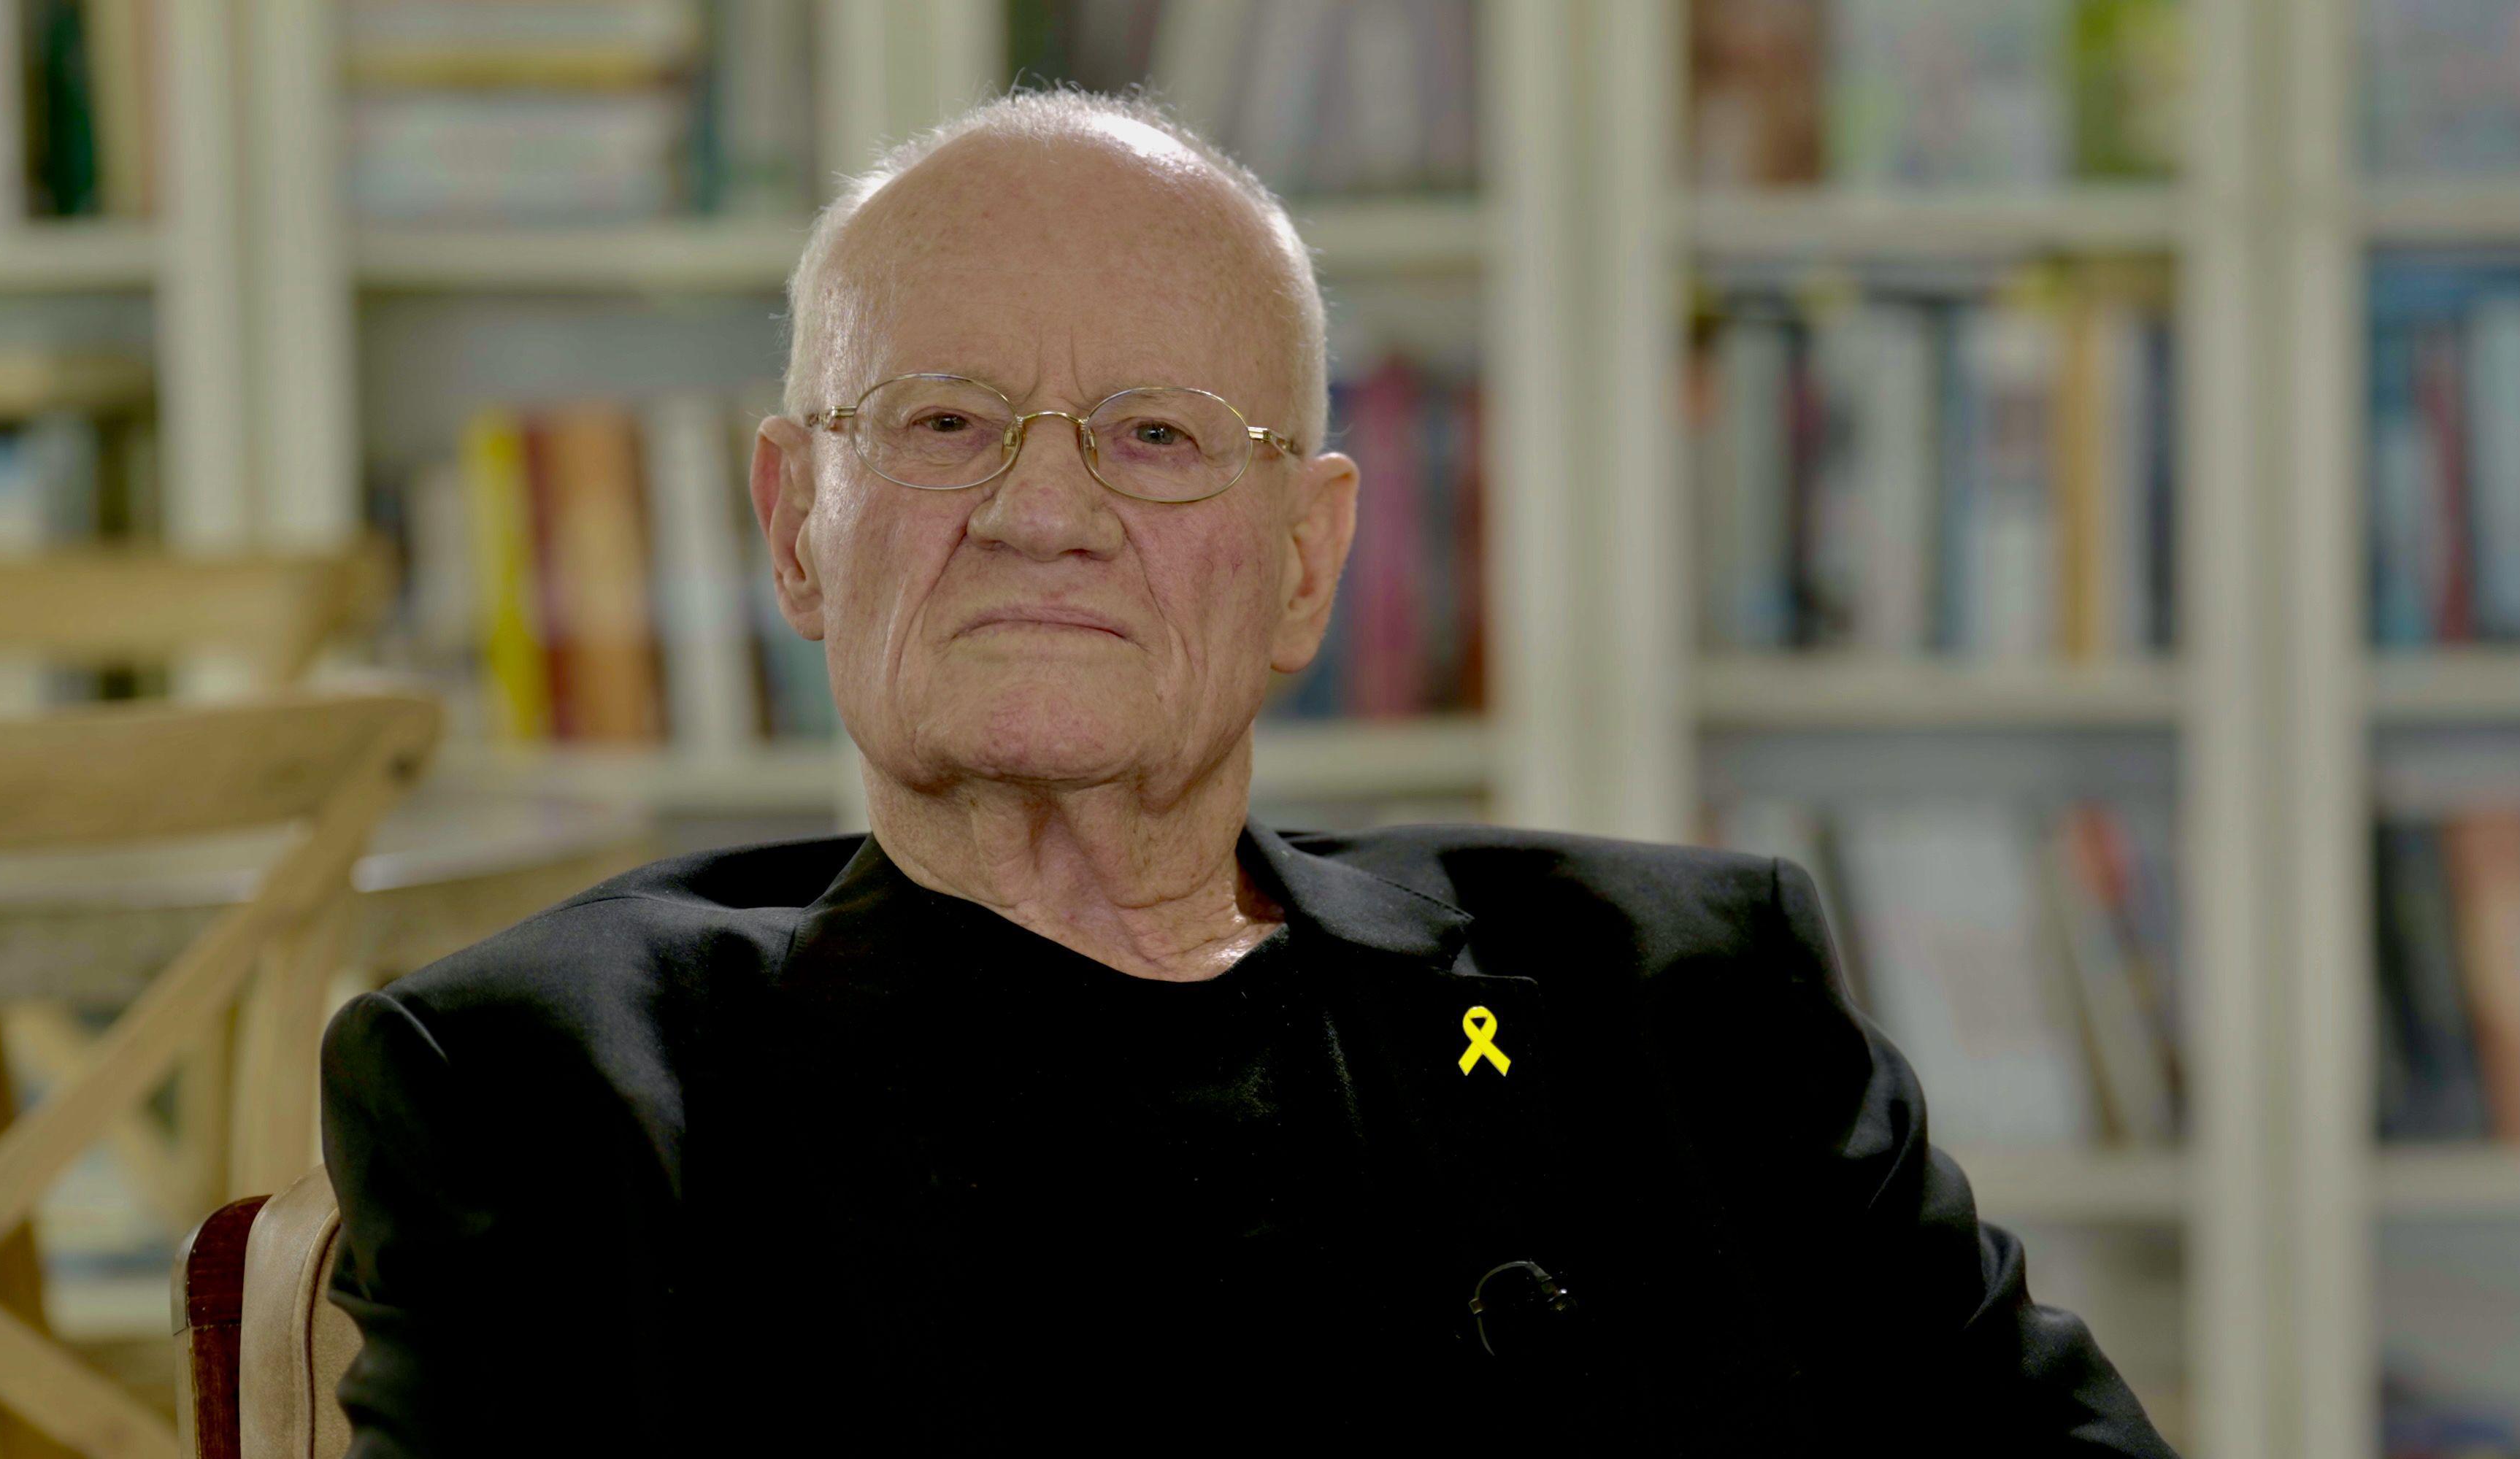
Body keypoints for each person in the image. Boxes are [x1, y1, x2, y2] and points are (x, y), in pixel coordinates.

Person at [319, 88, 2178, 1456]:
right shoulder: (548, 1083)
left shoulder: (1671, 992)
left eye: (1154, 435)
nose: (1043, 511)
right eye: (945, 422)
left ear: (1303, 559)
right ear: (797, 526)